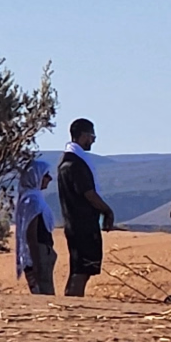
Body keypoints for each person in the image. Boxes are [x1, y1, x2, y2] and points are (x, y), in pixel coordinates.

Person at [57, 119, 115, 297]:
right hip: (82, 225)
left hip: (77, 224)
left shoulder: (69, 162)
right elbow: (89, 193)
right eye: (92, 136)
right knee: (81, 270)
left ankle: (72, 302)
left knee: (81, 269)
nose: (93, 140)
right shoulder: (75, 165)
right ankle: (73, 305)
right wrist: (107, 210)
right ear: (83, 136)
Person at [13, 159, 59, 296]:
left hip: (42, 252)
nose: (49, 179)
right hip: (38, 254)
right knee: (45, 294)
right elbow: (31, 234)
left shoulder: (32, 198)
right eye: (46, 175)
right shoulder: (32, 201)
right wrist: (37, 263)